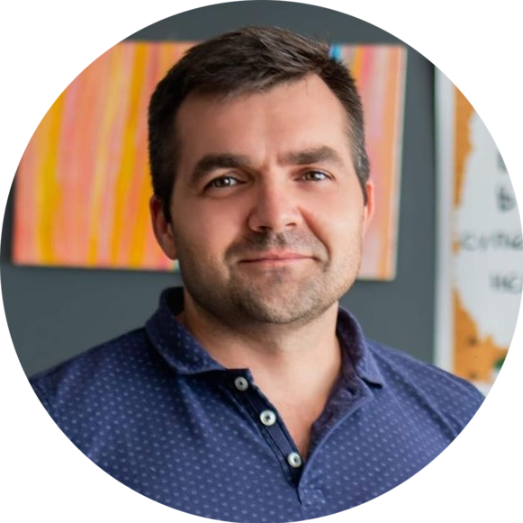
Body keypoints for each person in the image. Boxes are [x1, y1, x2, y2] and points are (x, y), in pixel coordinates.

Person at [28, 26, 485, 522]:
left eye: (313, 175)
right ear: (166, 225)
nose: (275, 215)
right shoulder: (64, 420)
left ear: (365, 208)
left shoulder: (457, 416)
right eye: (226, 180)